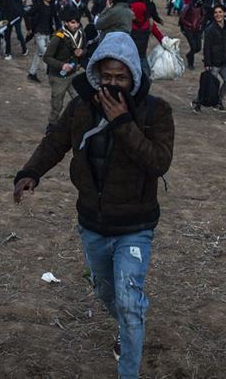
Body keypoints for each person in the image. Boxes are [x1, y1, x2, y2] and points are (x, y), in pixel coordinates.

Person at [13, 32, 174, 379]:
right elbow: (55, 141)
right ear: (96, 74)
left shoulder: (155, 111)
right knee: (106, 293)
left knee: (129, 304)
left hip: (135, 226)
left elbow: (159, 161)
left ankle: (128, 363)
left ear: (134, 75)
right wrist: (30, 172)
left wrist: (122, 123)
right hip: (92, 223)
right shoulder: (81, 106)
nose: (113, 84)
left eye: (121, 77)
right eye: (106, 76)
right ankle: (131, 323)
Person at [42, 7, 84, 130]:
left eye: (77, 22)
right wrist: (61, 65)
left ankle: (74, 123)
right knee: (57, 105)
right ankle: (52, 125)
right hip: (58, 76)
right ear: (65, 22)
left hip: (73, 73)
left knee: (79, 100)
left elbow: (85, 49)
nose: (76, 25)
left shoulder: (81, 34)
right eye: (72, 22)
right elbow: (47, 57)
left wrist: (82, 52)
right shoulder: (58, 37)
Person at [192, 4, 226, 113]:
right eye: (215, 12)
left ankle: (218, 101)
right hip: (214, 62)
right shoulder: (210, 29)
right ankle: (197, 102)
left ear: (224, 13)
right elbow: (207, 47)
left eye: (220, 12)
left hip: (224, 61)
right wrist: (207, 63)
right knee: (207, 85)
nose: (218, 14)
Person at [25, 0, 57, 83]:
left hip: (48, 34)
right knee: (47, 54)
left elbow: (54, 20)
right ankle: (52, 76)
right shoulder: (38, 5)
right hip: (39, 33)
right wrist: (29, 28)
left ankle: (32, 73)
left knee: (38, 54)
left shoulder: (51, 6)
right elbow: (27, 14)